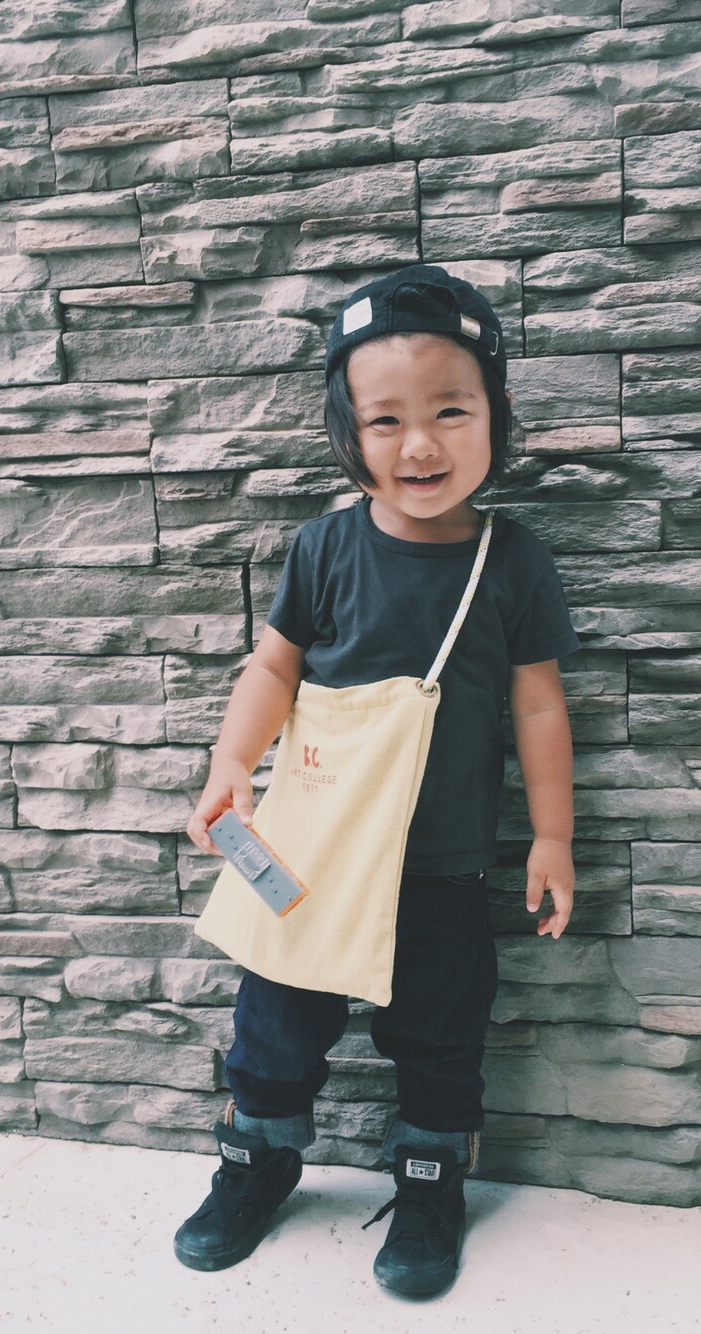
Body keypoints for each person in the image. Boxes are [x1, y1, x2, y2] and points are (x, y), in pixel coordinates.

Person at [174, 263, 580, 1298]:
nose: (420, 444)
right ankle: (257, 1158)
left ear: (495, 414)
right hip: (310, 854)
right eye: (385, 419)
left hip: (443, 864)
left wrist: (552, 837)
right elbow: (273, 666)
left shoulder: (511, 560)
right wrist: (231, 763)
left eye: (450, 411)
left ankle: (431, 1180)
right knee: (273, 1022)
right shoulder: (325, 547)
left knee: (441, 1032)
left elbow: (538, 707)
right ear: (346, 430)